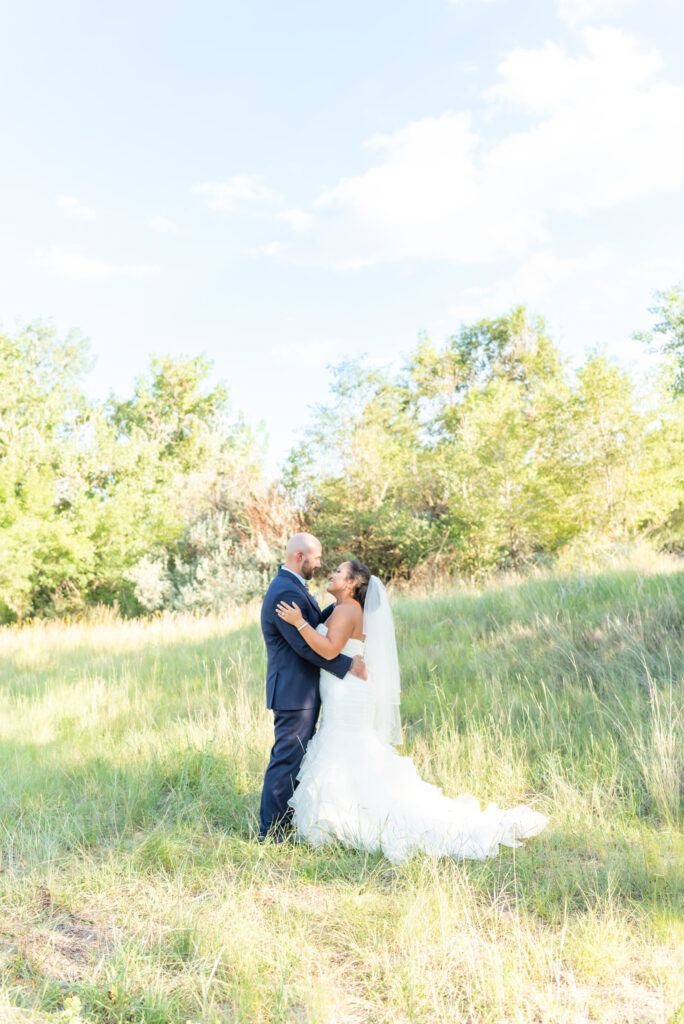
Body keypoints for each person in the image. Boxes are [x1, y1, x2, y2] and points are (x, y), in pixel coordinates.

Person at [275, 559, 548, 864]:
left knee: (345, 746)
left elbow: (328, 649)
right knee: (351, 746)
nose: (332, 573)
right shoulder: (345, 608)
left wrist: (300, 622)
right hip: (346, 687)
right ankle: (349, 812)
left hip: (346, 692)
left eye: (339, 572)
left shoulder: (348, 608)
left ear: (351, 584)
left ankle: (356, 816)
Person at [258, 533, 367, 842]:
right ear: (300, 557)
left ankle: (286, 822)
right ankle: (270, 833)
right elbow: (304, 648)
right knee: (287, 758)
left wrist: (341, 605)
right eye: (317, 559)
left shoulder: (292, 587)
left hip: (303, 690)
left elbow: (314, 624)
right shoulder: (283, 592)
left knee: (297, 757)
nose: (321, 565)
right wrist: (348, 666)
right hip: (294, 692)